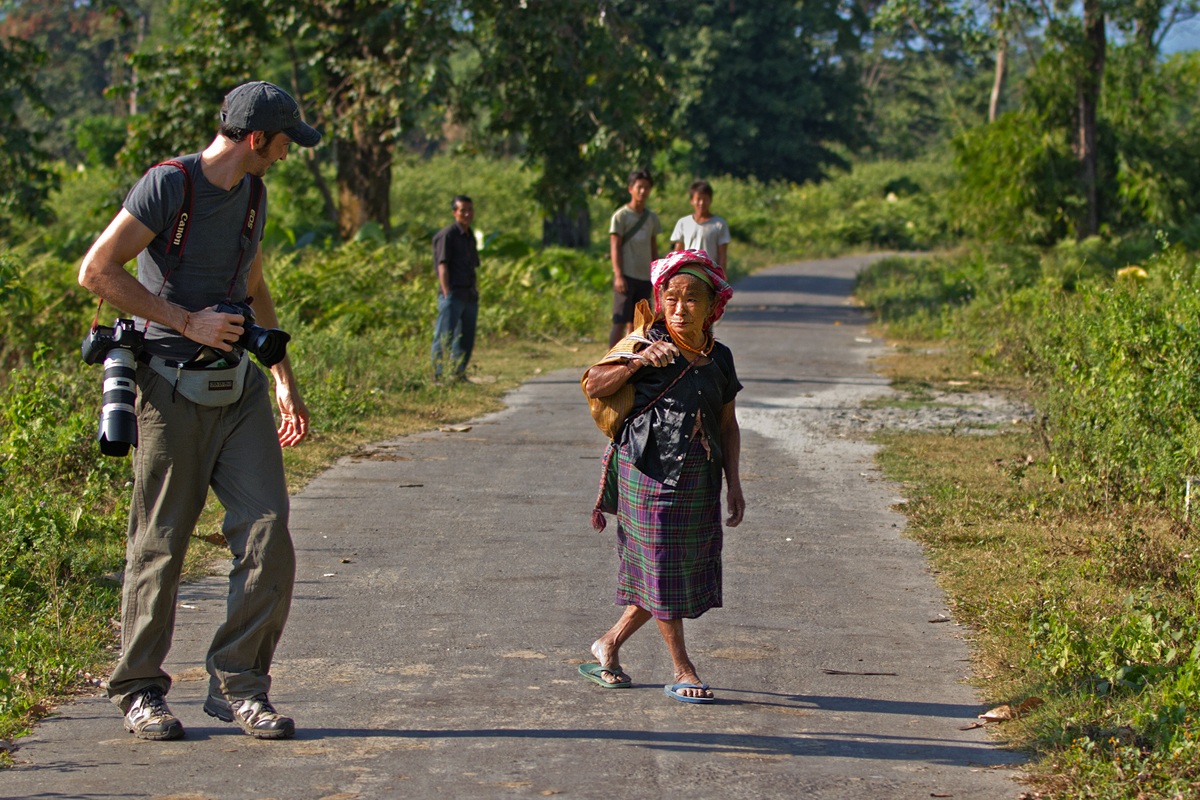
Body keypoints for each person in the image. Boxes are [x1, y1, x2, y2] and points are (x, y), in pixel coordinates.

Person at [77, 80, 320, 741]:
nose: (287, 153)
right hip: (166, 386)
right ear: (253, 138)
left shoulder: (255, 194)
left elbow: (254, 285)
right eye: (283, 142)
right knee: (161, 546)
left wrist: (282, 379)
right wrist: (186, 321)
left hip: (236, 388)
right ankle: (138, 691)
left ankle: (238, 686)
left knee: (270, 537)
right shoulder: (169, 186)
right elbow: (97, 270)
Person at [579, 249, 745, 703]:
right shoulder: (643, 341)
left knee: (671, 570)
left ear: (713, 306)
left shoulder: (720, 358)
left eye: (693, 298)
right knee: (663, 567)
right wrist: (638, 362)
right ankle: (684, 669)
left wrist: (734, 482)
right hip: (646, 470)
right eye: (671, 297)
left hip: (699, 475)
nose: (680, 307)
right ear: (659, 299)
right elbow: (593, 383)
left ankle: (609, 643)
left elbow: (728, 424)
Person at [608, 169, 661, 347]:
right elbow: (614, 246)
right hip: (626, 276)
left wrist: (657, 275)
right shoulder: (621, 216)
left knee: (639, 324)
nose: (643, 191)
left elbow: (653, 247)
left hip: (645, 277)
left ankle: (632, 361)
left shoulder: (652, 218)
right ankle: (610, 363)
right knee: (619, 320)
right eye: (639, 187)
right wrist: (618, 275)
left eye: (646, 188)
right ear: (631, 188)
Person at [431, 195, 480, 382]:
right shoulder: (447, 235)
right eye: (463, 210)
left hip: (469, 294)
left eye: (470, 210)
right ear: (454, 213)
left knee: (465, 338)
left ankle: (458, 374)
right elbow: (442, 265)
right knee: (444, 336)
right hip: (452, 293)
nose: (467, 214)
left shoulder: (469, 235)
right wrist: (446, 292)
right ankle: (437, 375)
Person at [670, 179, 730, 272]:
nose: (702, 203)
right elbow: (678, 252)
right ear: (692, 200)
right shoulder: (683, 223)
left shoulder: (719, 224)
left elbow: (722, 254)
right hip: (687, 272)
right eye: (698, 199)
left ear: (710, 200)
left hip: (710, 273)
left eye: (705, 199)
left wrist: (722, 277)